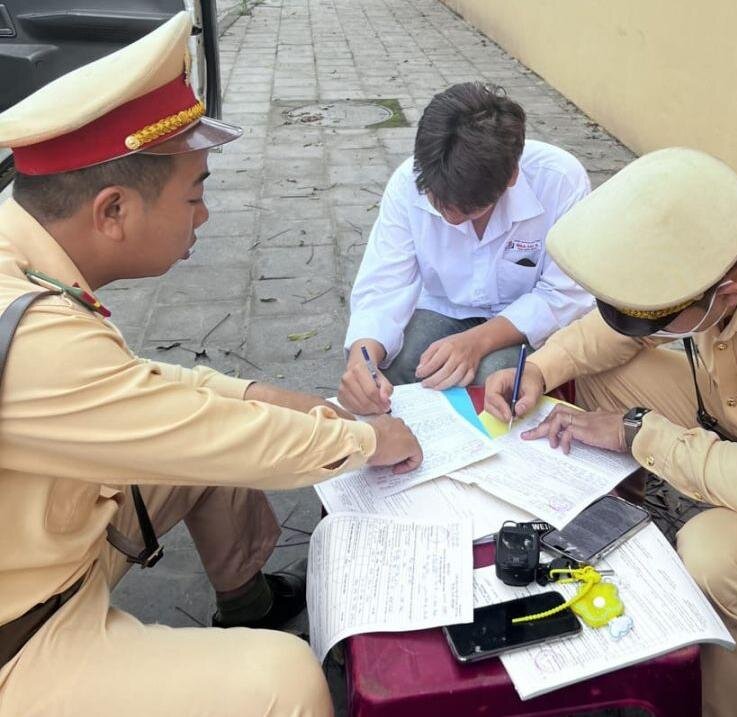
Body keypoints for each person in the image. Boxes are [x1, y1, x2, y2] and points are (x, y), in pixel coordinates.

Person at [0, 14, 422, 717]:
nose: (204, 216)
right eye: (194, 194)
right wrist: (366, 440)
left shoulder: (23, 254)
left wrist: (264, 394)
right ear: (112, 211)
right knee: (286, 681)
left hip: (46, 543)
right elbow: (185, 422)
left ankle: (247, 602)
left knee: (227, 422)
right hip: (22, 636)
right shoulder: (36, 338)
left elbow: (144, 396)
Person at [483, 147, 737, 716]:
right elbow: (621, 329)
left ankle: (715, 703)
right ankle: (622, 549)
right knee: (609, 376)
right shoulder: (718, 238)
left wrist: (638, 433)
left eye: (659, 315)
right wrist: (540, 368)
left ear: (724, 291)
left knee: (714, 556)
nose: (644, 322)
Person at [339, 82, 594, 415]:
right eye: (439, 203)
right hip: (445, 307)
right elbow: (384, 285)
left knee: (495, 383)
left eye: (470, 210)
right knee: (397, 369)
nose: (451, 217)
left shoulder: (560, 180)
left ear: (511, 176)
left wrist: (477, 342)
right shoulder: (407, 183)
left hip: (523, 322)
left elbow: (565, 295)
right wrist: (362, 360)